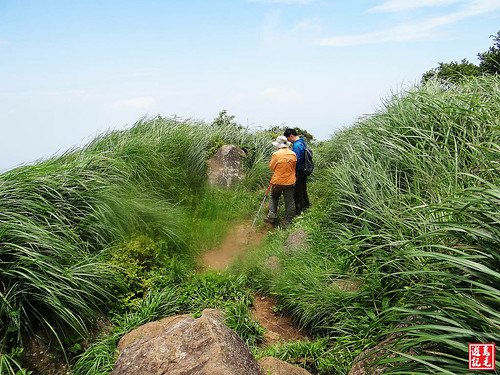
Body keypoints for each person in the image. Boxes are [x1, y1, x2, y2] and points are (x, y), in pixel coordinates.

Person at [265, 135, 297, 227]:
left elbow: (271, 167)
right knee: (289, 201)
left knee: (274, 197)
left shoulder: (276, 154)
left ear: (278, 145)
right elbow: (293, 167)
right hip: (290, 181)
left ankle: (271, 217)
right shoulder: (293, 154)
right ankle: (288, 221)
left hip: (277, 181)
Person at [283, 128, 310, 214]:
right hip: (304, 169)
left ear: (291, 136)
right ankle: (306, 205)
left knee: (298, 191)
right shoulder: (302, 142)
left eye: (288, 139)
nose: (288, 141)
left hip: (299, 170)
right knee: (303, 189)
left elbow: (295, 159)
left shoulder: (297, 146)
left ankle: (300, 209)